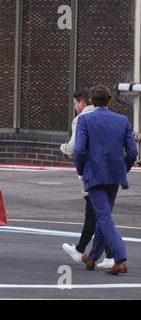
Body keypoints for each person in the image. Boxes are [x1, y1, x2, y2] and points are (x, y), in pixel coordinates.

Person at [74, 85, 137, 275]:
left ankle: (120, 258)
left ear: (92, 101)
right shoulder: (122, 120)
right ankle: (92, 257)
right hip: (114, 175)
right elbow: (133, 152)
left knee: (103, 216)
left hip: (94, 174)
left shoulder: (84, 120)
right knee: (104, 215)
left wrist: (81, 169)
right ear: (109, 101)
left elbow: (79, 150)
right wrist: (122, 169)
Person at [60, 88, 114, 269]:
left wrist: (64, 149)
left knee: (98, 214)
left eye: (76, 103)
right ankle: (89, 251)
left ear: (83, 102)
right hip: (110, 172)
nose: (75, 107)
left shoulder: (81, 119)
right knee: (96, 214)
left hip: (91, 173)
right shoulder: (112, 118)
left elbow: (76, 147)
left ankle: (110, 254)